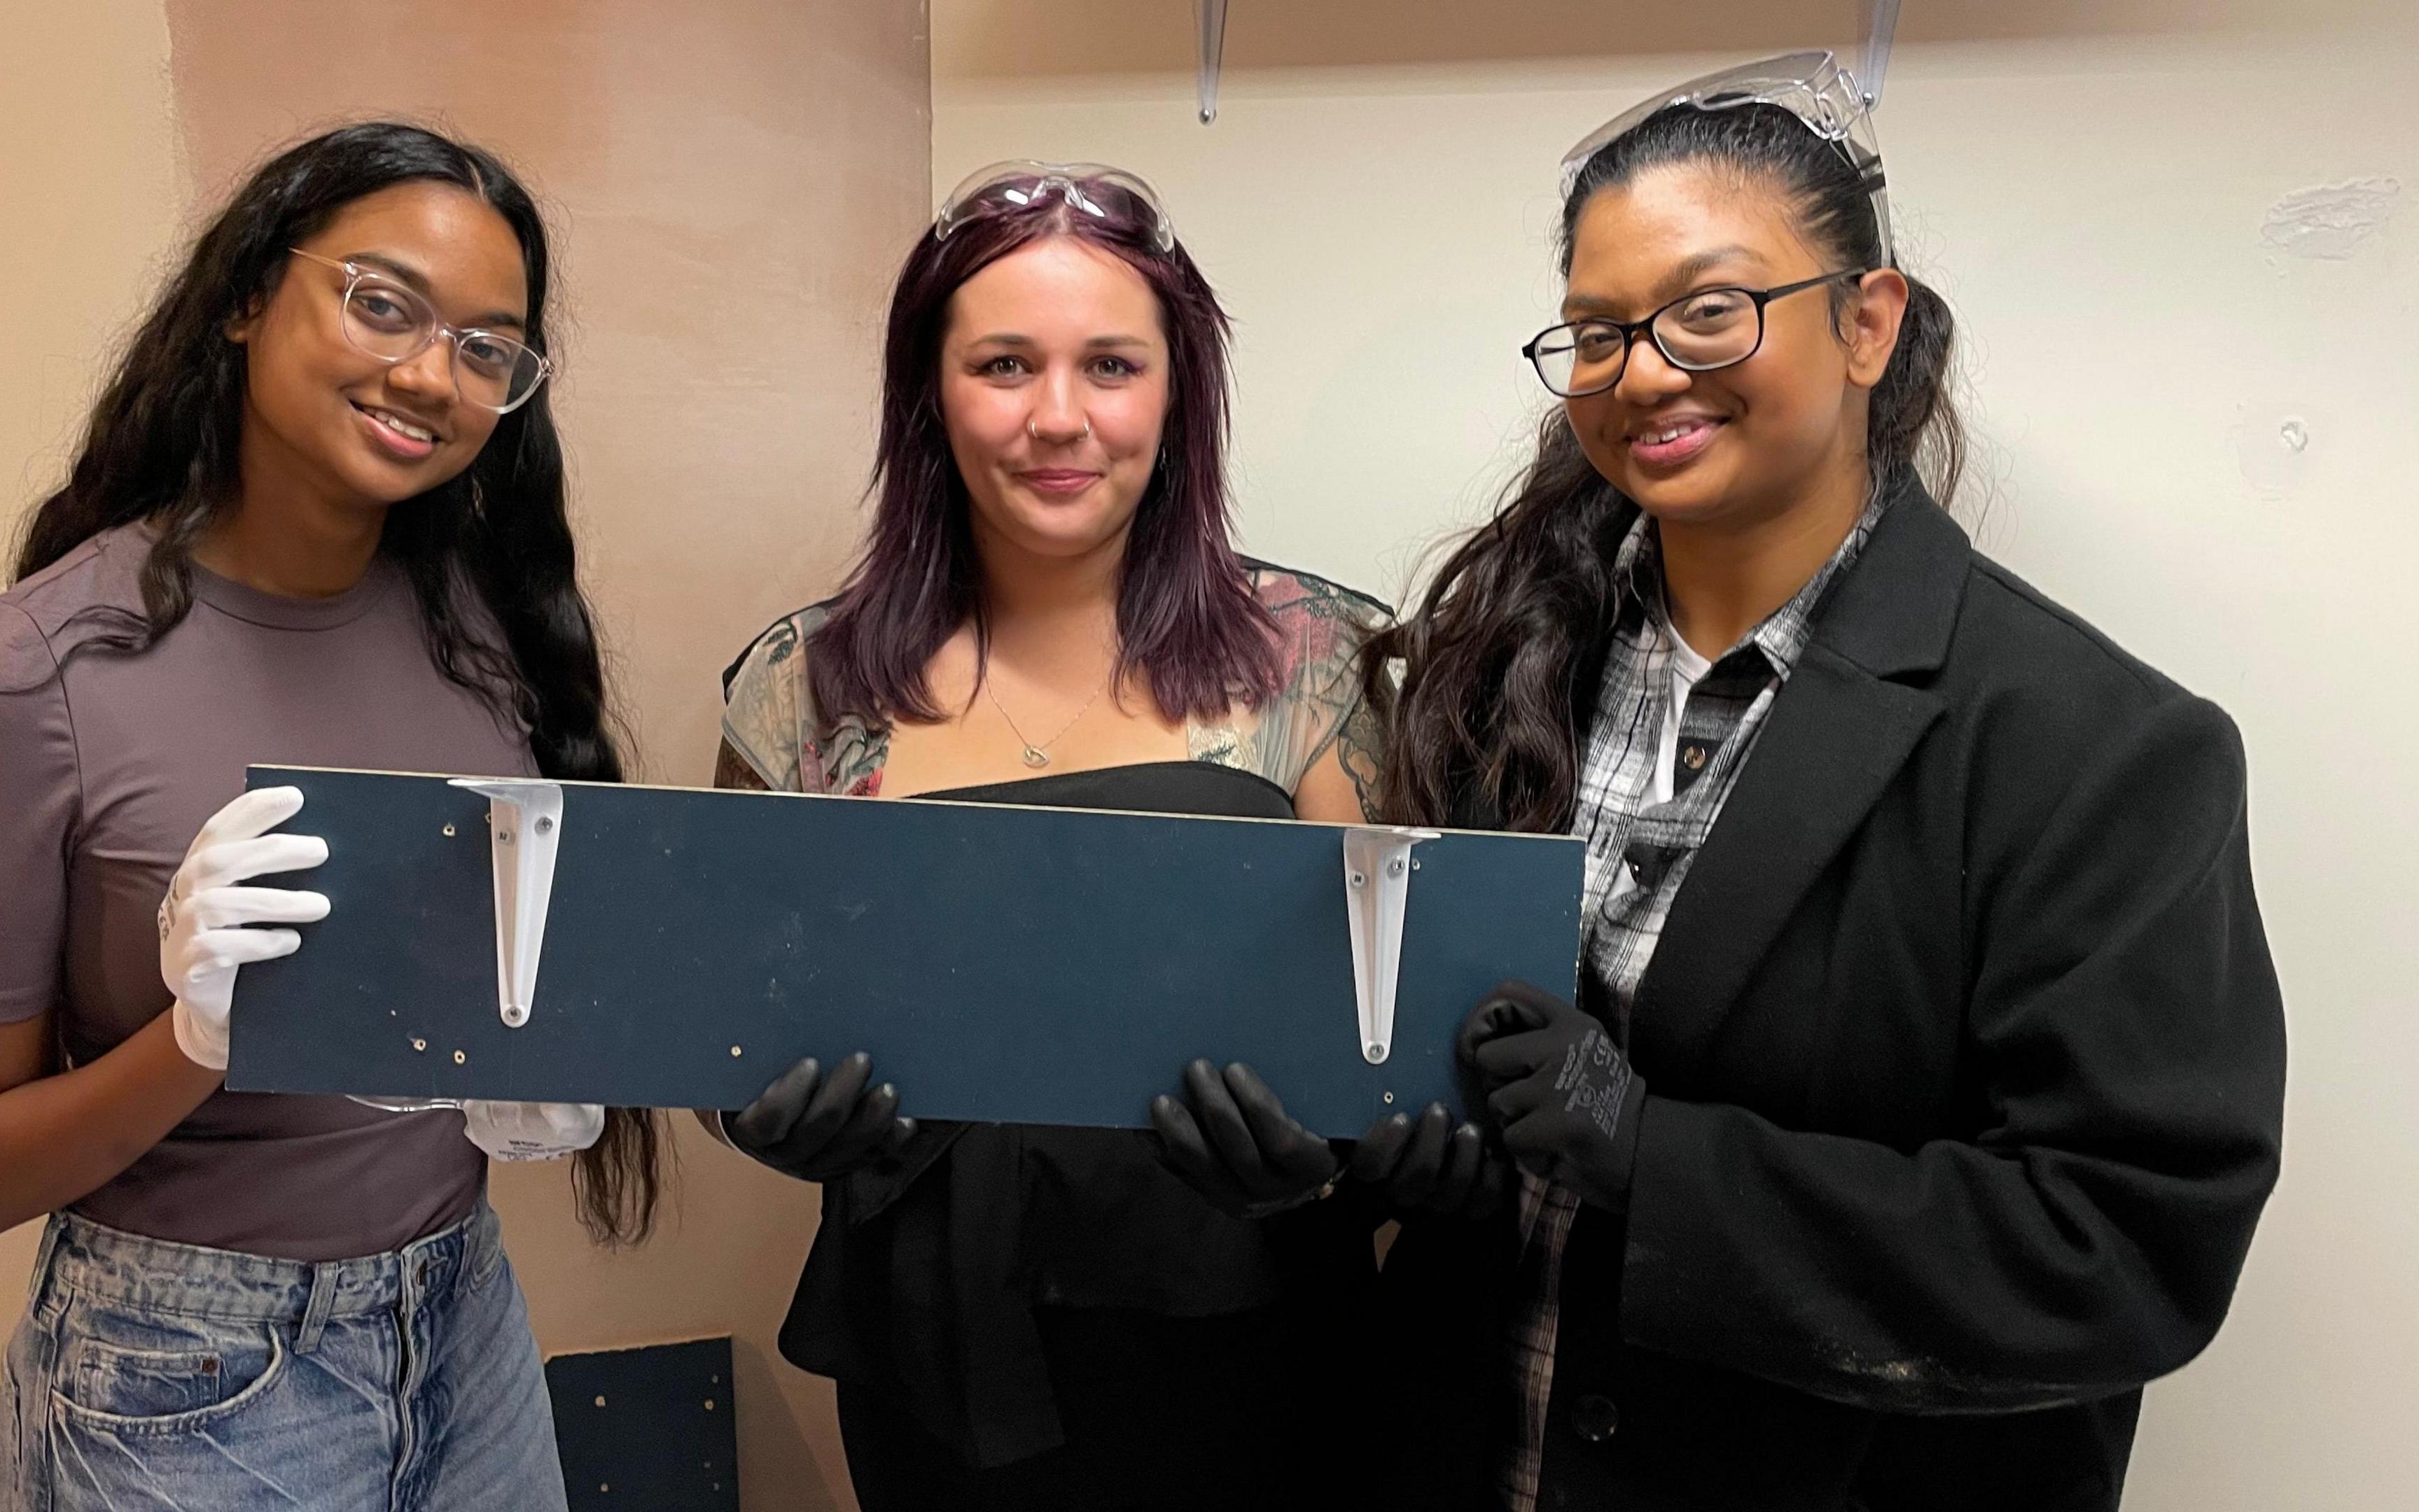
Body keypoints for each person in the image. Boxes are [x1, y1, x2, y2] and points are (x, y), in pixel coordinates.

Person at [1361, 55, 2287, 1510]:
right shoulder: (1511, 666)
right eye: (1598, 333)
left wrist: (1657, 1163)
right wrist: (1387, 1158)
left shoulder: (2095, 747)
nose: (1647, 370)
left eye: (1710, 310)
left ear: (1869, 322)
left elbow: (2123, 1253)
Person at [0, 122, 663, 1511]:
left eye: (488, 348)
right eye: (383, 304)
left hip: (463, 1316)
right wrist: (198, 1041)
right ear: (248, 297)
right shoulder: (24, 676)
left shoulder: (478, 635)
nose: (432, 374)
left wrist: (535, 1052)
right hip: (184, 1374)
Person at [709, 162, 1474, 1509]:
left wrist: (1339, 1159)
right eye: (1004, 363)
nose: (1059, 419)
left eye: (1111, 364)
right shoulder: (802, 689)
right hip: (933, 1362)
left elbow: (1397, 1034)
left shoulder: (1318, 661)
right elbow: (709, 1016)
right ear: (927, 393)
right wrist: (757, 1116)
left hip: (1252, 1351)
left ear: (1178, 393)